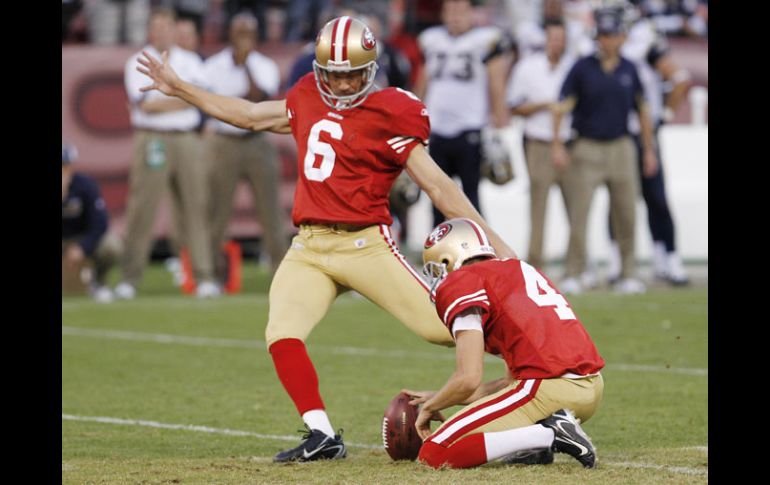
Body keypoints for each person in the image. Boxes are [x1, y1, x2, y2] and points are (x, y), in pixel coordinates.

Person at [135, 15, 517, 462]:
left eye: (352, 73)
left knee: (444, 327)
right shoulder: (304, 96)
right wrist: (181, 88)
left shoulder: (392, 111)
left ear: (370, 69)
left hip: (366, 246)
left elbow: (439, 188)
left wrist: (497, 245)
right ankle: (321, 434)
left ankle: (538, 376)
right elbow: (252, 115)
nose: (341, 83)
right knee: (281, 332)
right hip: (310, 247)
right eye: (333, 73)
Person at [404, 217, 604, 469]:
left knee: (433, 452)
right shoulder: (517, 268)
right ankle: (535, 442)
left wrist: (431, 407)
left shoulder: (462, 281)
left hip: (547, 389)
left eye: (436, 270)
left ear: (447, 260)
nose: (438, 279)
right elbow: (510, 381)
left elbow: (468, 378)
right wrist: (444, 397)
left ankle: (549, 434)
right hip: (591, 387)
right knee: (509, 401)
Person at [551, 6, 657, 294]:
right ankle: (574, 271)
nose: (607, 41)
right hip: (586, 147)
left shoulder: (630, 69)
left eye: (612, 35)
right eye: (603, 35)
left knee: (626, 213)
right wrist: (558, 144)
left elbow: (643, 112)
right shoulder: (582, 67)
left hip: (622, 146)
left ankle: (628, 273)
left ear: (622, 38)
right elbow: (560, 107)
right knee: (579, 214)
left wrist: (649, 150)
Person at [117, 7, 220, 300]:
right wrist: (185, 95)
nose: (162, 32)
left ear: (175, 30)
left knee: (196, 206)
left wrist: (175, 98)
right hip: (152, 138)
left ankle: (204, 276)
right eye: (157, 27)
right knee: (142, 208)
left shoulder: (189, 61)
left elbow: (203, 100)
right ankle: (130, 278)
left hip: (186, 138)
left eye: (167, 26)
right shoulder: (137, 61)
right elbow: (145, 105)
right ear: (150, 31)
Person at [605, 4, 691, 286]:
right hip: (616, 131)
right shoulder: (602, 47)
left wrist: (662, 117)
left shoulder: (644, 41)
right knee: (618, 200)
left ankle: (668, 258)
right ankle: (617, 262)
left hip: (643, 132)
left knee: (655, 196)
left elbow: (679, 79)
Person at [414, 0, 515, 227]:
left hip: (469, 127)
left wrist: (499, 118)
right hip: (437, 129)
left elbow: (496, 81)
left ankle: (480, 253)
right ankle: (439, 251)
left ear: (472, 13)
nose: (454, 16)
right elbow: (423, 81)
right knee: (436, 197)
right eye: (449, 10)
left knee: (470, 198)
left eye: (460, 11)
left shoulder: (485, 40)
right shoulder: (432, 39)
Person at [202, 12, 288, 277]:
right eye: (239, 33)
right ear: (230, 34)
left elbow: (259, 98)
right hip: (225, 142)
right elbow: (212, 104)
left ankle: (282, 274)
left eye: (248, 34)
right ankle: (212, 274)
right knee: (218, 211)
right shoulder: (213, 65)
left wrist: (245, 65)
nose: (243, 39)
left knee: (270, 212)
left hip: (257, 141)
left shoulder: (263, 65)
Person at [507, 19, 576, 273]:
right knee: (538, 207)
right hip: (538, 143)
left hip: (570, 143)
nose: (557, 43)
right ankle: (535, 265)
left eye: (561, 38)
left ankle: (576, 267)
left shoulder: (573, 66)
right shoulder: (528, 68)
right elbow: (514, 105)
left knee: (576, 207)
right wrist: (544, 105)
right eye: (553, 38)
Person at [62, 142, 123, 303]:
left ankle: (99, 282)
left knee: (111, 246)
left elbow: (100, 223)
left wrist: (83, 247)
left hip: (80, 237)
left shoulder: (85, 185)